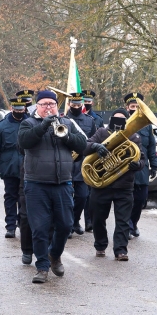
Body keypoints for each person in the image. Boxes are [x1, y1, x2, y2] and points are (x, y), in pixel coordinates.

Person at [17, 89, 87, 284]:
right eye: (44, 104)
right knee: (39, 228)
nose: (48, 107)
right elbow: (23, 143)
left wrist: (66, 137)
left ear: (57, 106)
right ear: (37, 107)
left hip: (63, 183)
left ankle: (54, 255)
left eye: (52, 104)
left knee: (65, 225)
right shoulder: (28, 123)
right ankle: (42, 267)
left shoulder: (68, 123)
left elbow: (82, 145)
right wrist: (42, 127)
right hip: (36, 184)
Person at [84, 108, 142, 260]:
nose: (118, 122)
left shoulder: (134, 137)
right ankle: (100, 244)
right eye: (116, 119)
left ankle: (121, 250)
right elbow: (86, 146)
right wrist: (95, 147)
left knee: (123, 220)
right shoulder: (102, 133)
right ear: (111, 120)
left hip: (124, 186)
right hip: (102, 185)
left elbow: (141, 159)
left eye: (122, 119)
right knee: (97, 218)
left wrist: (138, 165)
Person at [0, 98, 28, 238]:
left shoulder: (31, 123)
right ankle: (10, 226)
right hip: (9, 166)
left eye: (21, 109)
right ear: (12, 108)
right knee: (11, 196)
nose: (19, 112)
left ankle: (22, 223)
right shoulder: (1, 126)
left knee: (25, 198)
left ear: (25, 109)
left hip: (28, 167)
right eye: (16, 109)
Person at [123, 92, 157, 238]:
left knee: (141, 199)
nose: (135, 108)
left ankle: (134, 223)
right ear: (127, 107)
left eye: (138, 106)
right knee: (127, 200)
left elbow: (151, 146)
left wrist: (154, 165)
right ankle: (127, 226)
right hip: (125, 168)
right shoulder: (121, 122)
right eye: (132, 106)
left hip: (142, 168)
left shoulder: (147, 126)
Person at [64, 91, 98, 237]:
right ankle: (68, 224)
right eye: (73, 104)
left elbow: (94, 140)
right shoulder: (63, 120)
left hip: (83, 165)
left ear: (82, 104)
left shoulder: (90, 121)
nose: (76, 106)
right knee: (66, 197)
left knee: (82, 196)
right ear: (69, 104)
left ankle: (76, 220)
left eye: (79, 104)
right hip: (66, 164)